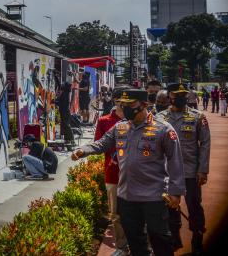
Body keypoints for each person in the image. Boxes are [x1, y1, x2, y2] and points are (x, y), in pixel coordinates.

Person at [71, 89, 185, 256]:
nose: (126, 109)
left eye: (131, 105)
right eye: (124, 105)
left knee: (159, 239)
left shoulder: (163, 129)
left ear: (144, 105)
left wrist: (176, 192)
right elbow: (101, 143)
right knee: (135, 241)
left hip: (153, 196)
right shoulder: (120, 127)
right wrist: (82, 150)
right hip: (127, 196)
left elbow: (175, 161)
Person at [157, 83, 210, 255]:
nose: (180, 98)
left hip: (190, 171)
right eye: (176, 95)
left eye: (183, 95)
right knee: (170, 208)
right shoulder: (159, 118)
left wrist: (203, 170)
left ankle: (197, 238)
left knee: (194, 206)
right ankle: (174, 239)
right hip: (168, 173)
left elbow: (205, 144)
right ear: (170, 97)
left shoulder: (197, 116)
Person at [94, 85, 130, 256]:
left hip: (136, 175)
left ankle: (141, 244)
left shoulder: (138, 119)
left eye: (127, 99)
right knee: (115, 214)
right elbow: (99, 145)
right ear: (115, 100)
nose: (123, 103)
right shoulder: (104, 121)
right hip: (113, 174)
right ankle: (122, 247)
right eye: (120, 99)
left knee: (139, 211)